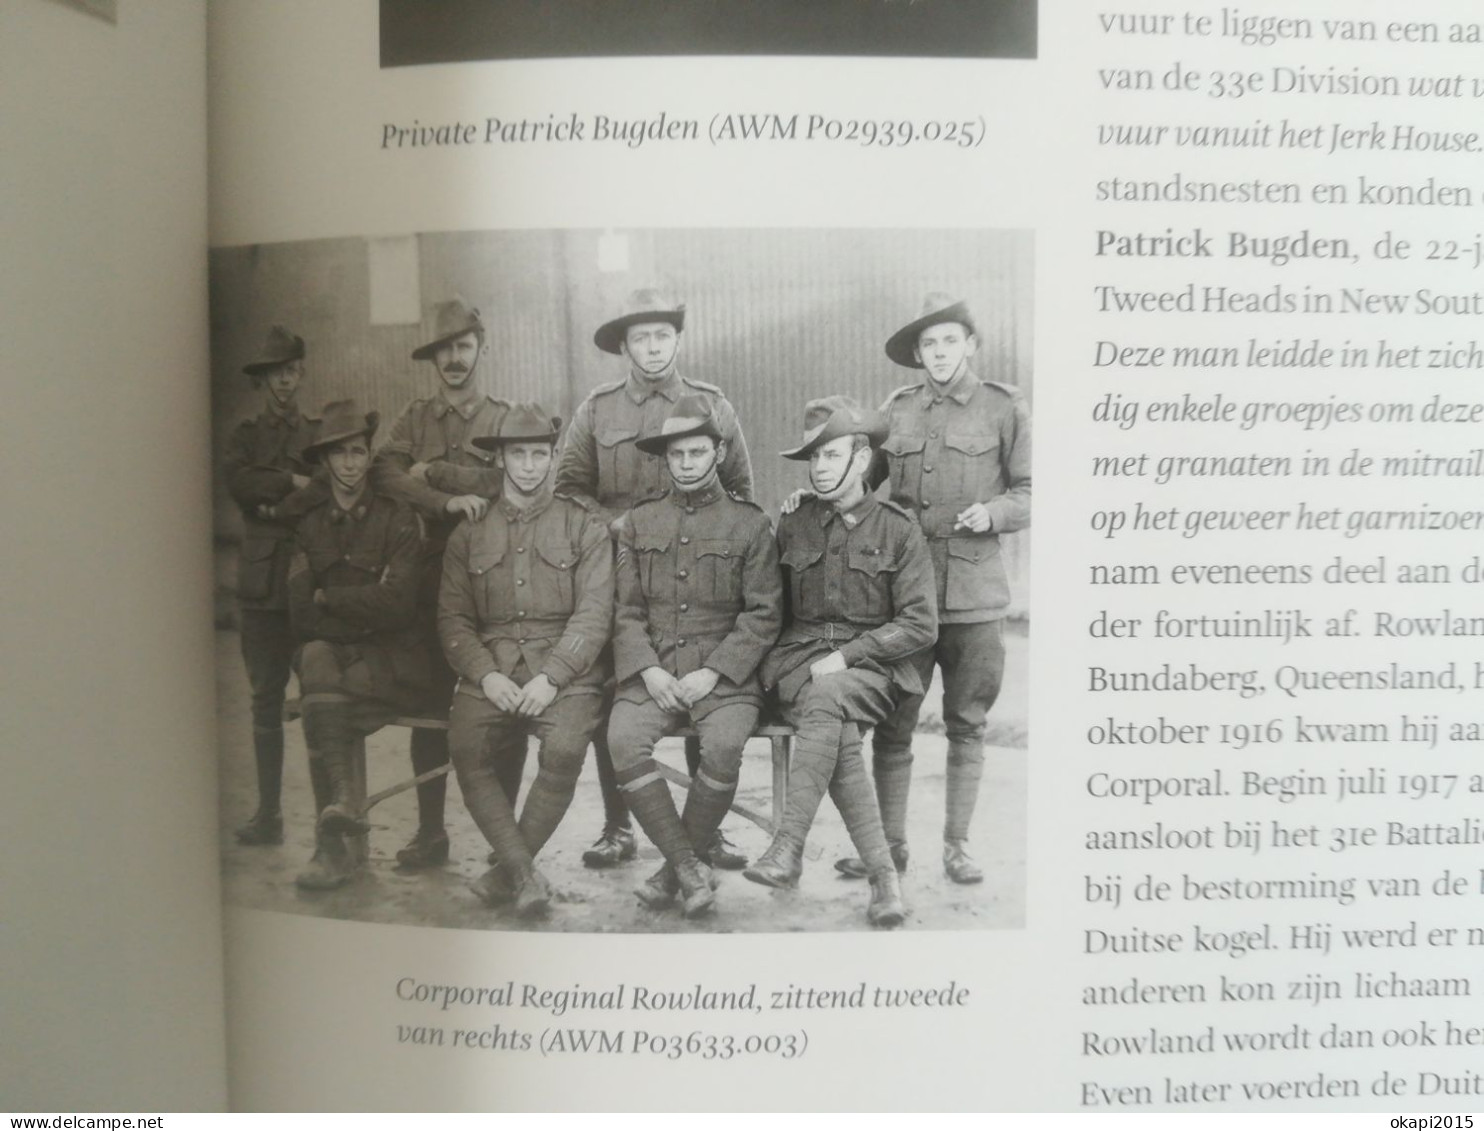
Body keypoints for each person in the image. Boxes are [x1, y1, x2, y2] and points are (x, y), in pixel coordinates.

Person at [556, 288, 755, 870]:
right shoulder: (598, 408)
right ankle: (617, 827)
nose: (652, 346)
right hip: (618, 574)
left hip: (698, 579)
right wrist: (614, 528)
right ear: (624, 345)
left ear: (678, 339)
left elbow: (742, 490)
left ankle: (705, 830)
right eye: (640, 336)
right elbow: (568, 489)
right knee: (612, 696)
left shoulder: (710, 403)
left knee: (704, 693)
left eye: (662, 335)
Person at [837, 294, 1031, 885]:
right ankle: (889, 847)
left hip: (974, 596)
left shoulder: (1004, 407)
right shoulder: (896, 409)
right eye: (929, 344)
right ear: (917, 354)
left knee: (966, 722)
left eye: (950, 340)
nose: (939, 352)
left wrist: (994, 513)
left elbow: (1032, 490)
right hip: (907, 597)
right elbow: (858, 478)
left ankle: (958, 846)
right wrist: (818, 489)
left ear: (970, 344)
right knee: (894, 722)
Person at [744, 397, 937, 928]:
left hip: (873, 670)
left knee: (828, 698)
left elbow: (921, 625)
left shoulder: (899, 530)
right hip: (800, 663)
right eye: (814, 459)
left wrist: (848, 656)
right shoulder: (794, 521)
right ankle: (884, 881)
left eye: (831, 456)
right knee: (835, 728)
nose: (820, 468)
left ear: (863, 458)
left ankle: (788, 848)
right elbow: (771, 607)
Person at [607, 396, 782, 917]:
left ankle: (668, 871)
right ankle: (686, 866)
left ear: (719, 452)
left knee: (725, 745)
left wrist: (715, 671)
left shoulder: (750, 524)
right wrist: (649, 669)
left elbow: (764, 614)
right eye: (677, 454)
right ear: (665, 458)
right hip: (654, 667)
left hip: (725, 674)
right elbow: (626, 610)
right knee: (621, 740)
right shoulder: (639, 523)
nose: (686, 463)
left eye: (697, 452)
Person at [438, 405, 613, 917]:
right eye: (520, 454)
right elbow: (452, 619)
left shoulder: (585, 526)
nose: (531, 466)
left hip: (568, 667)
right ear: (501, 458)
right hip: (491, 666)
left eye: (541, 454)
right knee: (466, 746)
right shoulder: (469, 532)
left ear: (555, 457)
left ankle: (507, 870)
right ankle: (522, 872)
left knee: (562, 748)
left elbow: (594, 613)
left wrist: (553, 676)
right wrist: (485, 675)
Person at [372, 297, 512, 870]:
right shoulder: (414, 418)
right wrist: (442, 497)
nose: (454, 359)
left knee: (505, 704)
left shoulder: (502, 418)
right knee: (430, 706)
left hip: (498, 576)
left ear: (481, 347)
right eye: (444, 350)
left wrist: (437, 470)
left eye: (464, 346)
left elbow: (512, 477)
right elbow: (383, 472)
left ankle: (507, 848)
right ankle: (432, 833)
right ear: (432, 357)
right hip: (432, 578)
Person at [286, 400, 431, 890]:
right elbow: (300, 612)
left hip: (393, 659)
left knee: (318, 680)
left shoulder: (398, 517)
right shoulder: (307, 524)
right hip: (340, 654)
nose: (350, 463)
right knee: (313, 657)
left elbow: (399, 605)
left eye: (358, 451)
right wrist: (352, 610)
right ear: (324, 461)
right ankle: (341, 811)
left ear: (370, 455)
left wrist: (333, 599)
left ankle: (332, 843)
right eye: (339, 454)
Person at [221, 325, 319, 846]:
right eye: (273, 373)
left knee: (324, 698)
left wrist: (273, 502)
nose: (283, 380)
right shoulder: (244, 435)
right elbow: (240, 484)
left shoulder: (317, 433)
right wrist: (290, 483)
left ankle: (332, 816)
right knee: (264, 699)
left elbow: (325, 491)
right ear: (262, 379)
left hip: (307, 582)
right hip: (259, 589)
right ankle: (268, 814)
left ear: (300, 373)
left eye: (291, 370)